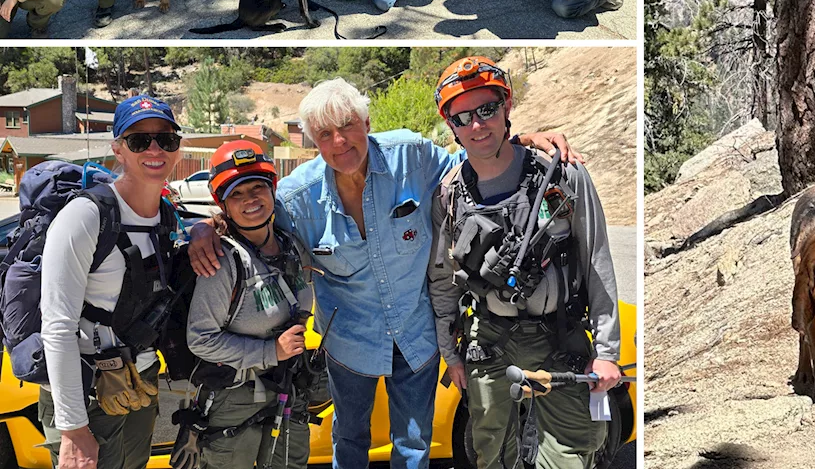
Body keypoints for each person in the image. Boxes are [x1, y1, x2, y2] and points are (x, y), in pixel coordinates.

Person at [184, 78, 575, 469]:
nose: (339, 142)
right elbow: (250, 216)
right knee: (350, 439)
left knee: (413, 442)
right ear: (313, 142)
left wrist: (518, 140)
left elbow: (474, 162)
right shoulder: (294, 197)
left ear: (367, 122)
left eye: (347, 126)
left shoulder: (412, 156)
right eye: (325, 134)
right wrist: (204, 228)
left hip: (415, 335)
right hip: (348, 342)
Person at [428, 57, 622, 469]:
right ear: (451, 127)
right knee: (491, 452)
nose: (477, 125)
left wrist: (607, 352)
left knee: (573, 452)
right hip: (489, 340)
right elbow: (442, 281)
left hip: (561, 334)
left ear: (507, 106)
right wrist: (452, 356)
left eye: (487, 110)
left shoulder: (563, 175)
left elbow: (597, 263)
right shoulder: (448, 195)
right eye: (462, 117)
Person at [38, 95, 185, 469]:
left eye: (165, 139)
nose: (154, 149)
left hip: (141, 381)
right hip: (86, 390)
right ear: (118, 149)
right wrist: (73, 429)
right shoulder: (85, 218)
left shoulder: (167, 216)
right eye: (139, 140)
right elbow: (57, 327)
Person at [180, 140, 314, 469]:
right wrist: (271, 352)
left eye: (257, 187)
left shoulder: (291, 244)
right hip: (234, 401)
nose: (250, 200)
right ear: (222, 204)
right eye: (236, 194)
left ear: (273, 189)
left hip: (289, 390)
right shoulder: (220, 261)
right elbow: (200, 338)